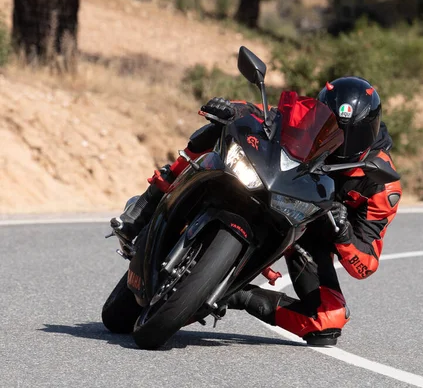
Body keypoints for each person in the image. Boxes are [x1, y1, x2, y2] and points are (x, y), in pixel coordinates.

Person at [110, 76, 402, 346]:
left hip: (307, 234)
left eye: (352, 135)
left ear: (370, 131)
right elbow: (265, 114)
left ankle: (235, 293)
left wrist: (345, 235)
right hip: (269, 187)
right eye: (332, 128)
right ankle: (146, 205)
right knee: (217, 126)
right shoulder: (309, 119)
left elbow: (366, 264)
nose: (339, 141)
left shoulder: (380, 184)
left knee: (328, 321)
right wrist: (231, 108)